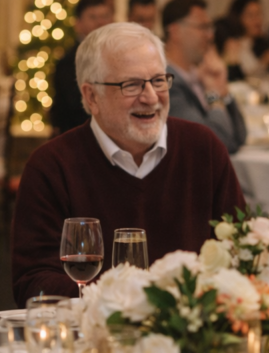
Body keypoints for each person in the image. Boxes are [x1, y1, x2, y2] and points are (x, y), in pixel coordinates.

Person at [12, 22, 246, 305]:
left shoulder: (203, 149)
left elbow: (242, 254)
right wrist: (131, 302)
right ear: (91, 96)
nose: (151, 97)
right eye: (132, 85)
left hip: (192, 325)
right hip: (92, 329)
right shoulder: (52, 166)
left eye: (158, 81)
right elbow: (33, 283)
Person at [162, 0, 246, 153]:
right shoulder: (165, 84)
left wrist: (223, 92)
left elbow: (239, 137)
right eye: (203, 27)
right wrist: (214, 96)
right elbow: (212, 144)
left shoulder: (200, 75)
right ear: (175, 31)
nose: (210, 35)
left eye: (210, 27)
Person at [49, 0, 114, 133]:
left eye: (105, 16)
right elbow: (74, 109)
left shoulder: (120, 56)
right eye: (93, 17)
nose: (101, 22)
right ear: (78, 24)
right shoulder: (68, 62)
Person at [224, 0, 269, 80]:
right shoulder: (233, 45)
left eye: (259, 14)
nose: (257, 20)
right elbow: (242, 78)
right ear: (238, 18)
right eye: (251, 15)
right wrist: (265, 62)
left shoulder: (261, 42)